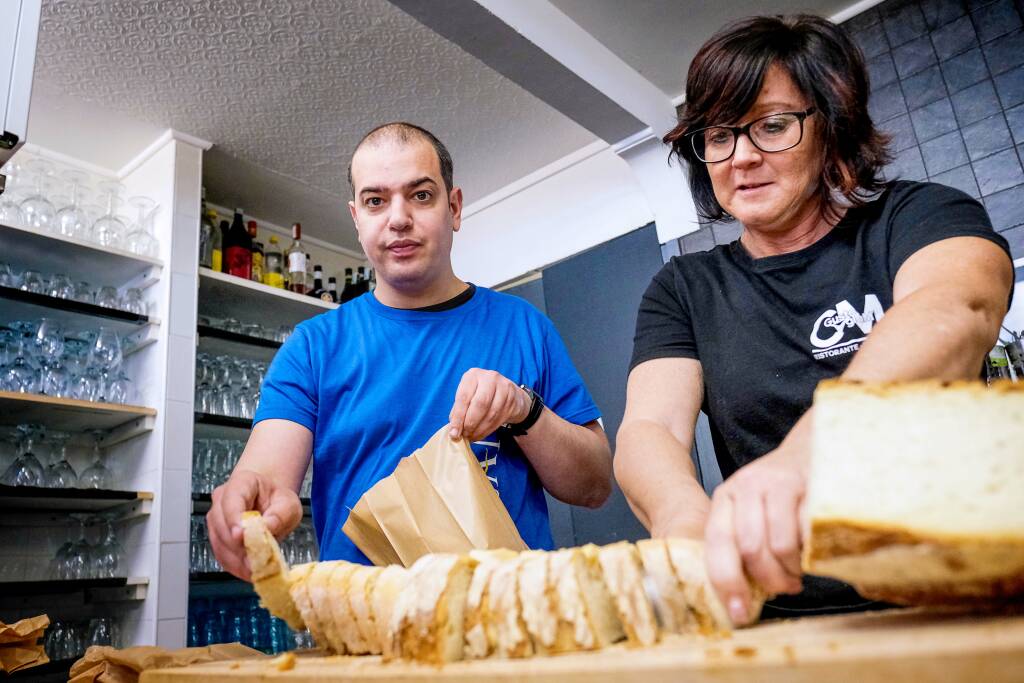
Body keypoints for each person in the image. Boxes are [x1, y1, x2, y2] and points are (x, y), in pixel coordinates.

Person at [615, 15, 1013, 624]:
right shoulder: (685, 288)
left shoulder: (918, 217)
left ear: (830, 127)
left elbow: (953, 310)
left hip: (964, 594)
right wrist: (681, 516)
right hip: (789, 612)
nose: (740, 156)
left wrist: (809, 453)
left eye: (772, 126)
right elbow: (652, 429)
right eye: (719, 136)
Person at [207, 122, 612, 578]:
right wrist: (250, 500)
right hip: (366, 635)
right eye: (375, 201)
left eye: (420, 195)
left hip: (511, 627)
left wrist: (524, 410)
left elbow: (594, 485)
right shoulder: (313, 347)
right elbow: (267, 473)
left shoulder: (525, 327)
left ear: (453, 208)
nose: (397, 218)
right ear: (357, 220)